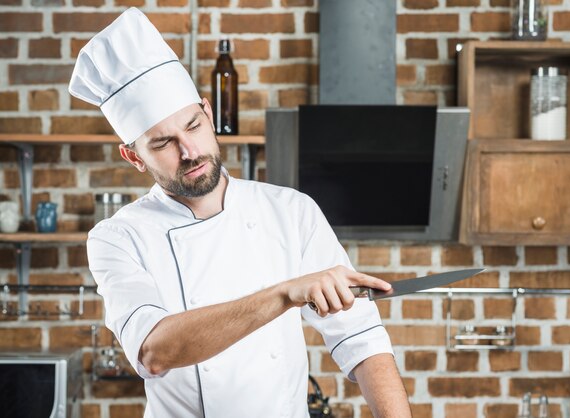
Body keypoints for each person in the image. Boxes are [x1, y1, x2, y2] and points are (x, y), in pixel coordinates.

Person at [69, 8, 411, 418]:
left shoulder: (291, 211)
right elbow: (155, 351)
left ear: (209, 112)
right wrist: (286, 293)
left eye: (193, 126)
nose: (189, 152)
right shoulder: (118, 237)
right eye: (163, 143)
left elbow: (361, 338)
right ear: (133, 156)